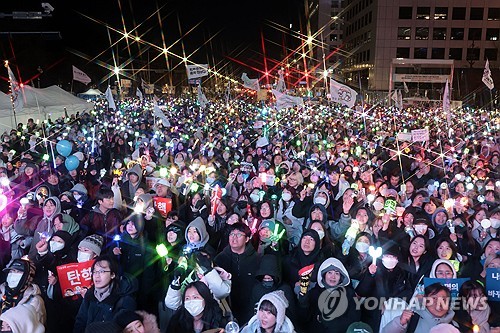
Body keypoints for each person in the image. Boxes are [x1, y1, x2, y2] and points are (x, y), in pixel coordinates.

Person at [73, 254, 137, 333]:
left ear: (113, 274)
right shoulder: (89, 294)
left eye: (102, 271)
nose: (97, 276)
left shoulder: (125, 300)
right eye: (94, 271)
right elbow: (80, 321)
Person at [297, 257, 360, 332]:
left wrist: (325, 320)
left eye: (337, 273)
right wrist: (303, 302)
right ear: (324, 275)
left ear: (341, 277)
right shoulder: (314, 293)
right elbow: (303, 320)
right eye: (329, 272)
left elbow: (354, 320)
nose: (333, 276)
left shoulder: (349, 293)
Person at [214, 222, 260, 324]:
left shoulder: (257, 259)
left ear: (247, 239)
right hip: (227, 309)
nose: (234, 237)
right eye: (232, 234)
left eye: (239, 234)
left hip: (250, 308)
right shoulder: (220, 259)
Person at [382, 283, 456, 332]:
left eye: (443, 299)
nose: (439, 303)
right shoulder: (412, 319)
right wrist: (400, 323)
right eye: (434, 298)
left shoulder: (455, 326)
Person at [0, 258, 46, 325]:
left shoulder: (34, 301)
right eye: (11, 271)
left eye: (18, 272)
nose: (13, 274)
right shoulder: (2, 293)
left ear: (28, 277)